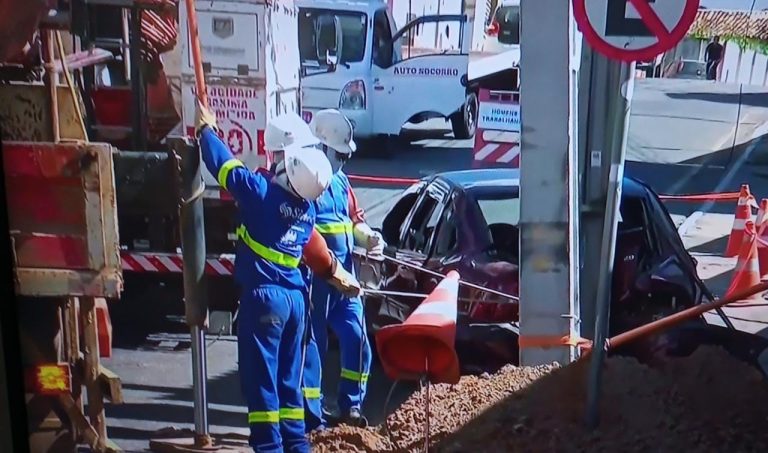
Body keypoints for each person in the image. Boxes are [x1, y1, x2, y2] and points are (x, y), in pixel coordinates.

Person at [194, 101, 358, 452]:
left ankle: (268, 448)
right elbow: (315, 250)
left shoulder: (260, 193)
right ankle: (297, 445)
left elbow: (224, 166)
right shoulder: (308, 207)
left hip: (264, 298)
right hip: (296, 302)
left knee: (262, 383)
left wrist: (206, 131)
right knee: (288, 384)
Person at [304, 109, 386, 428]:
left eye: (345, 156)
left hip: (345, 278)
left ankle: (350, 406)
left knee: (356, 337)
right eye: (339, 155)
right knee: (312, 344)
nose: (342, 161)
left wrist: (368, 237)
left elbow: (353, 220)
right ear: (321, 147)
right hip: (317, 278)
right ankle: (311, 416)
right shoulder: (304, 181)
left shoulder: (340, 182)